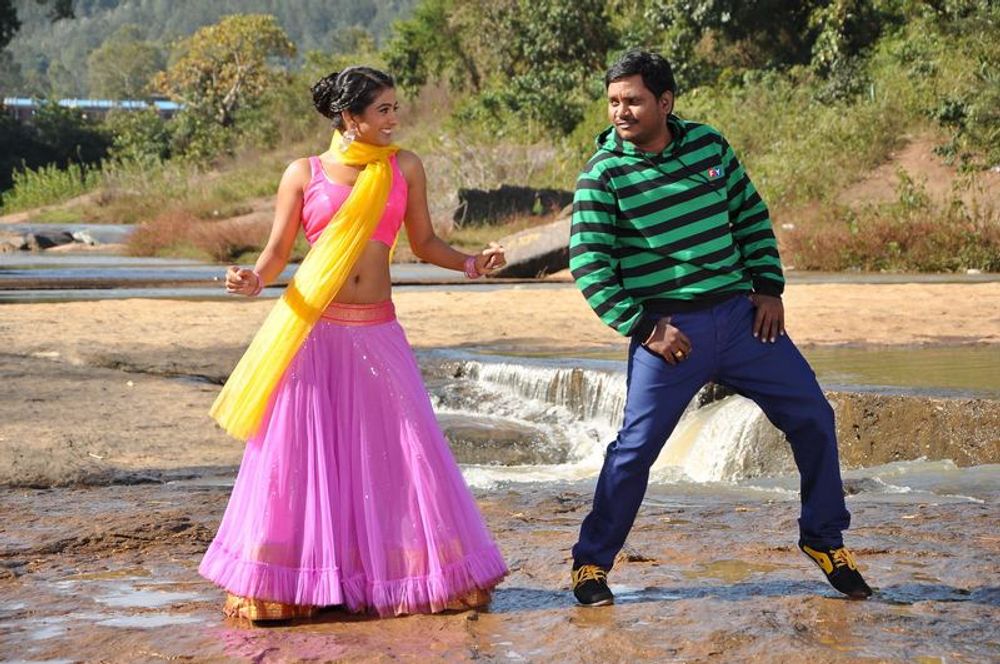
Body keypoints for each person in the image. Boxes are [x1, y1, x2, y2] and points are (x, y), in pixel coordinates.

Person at [199, 66, 508, 622]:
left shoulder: (403, 167)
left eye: (395, 108)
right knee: (305, 460)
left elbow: (424, 241)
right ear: (350, 116)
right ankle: (294, 584)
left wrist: (470, 263)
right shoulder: (304, 173)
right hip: (314, 333)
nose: (395, 119)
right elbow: (277, 253)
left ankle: (406, 574)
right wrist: (253, 279)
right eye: (383, 110)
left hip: (378, 330)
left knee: (403, 453)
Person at [568, 50, 873, 606]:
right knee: (634, 450)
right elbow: (590, 265)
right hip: (668, 334)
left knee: (813, 416)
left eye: (633, 100)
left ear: (665, 102)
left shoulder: (709, 146)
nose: (620, 112)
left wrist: (769, 287)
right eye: (613, 102)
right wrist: (644, 328)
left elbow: (749, 215)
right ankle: (591, 564)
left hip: (741, 320)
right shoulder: (603, 175)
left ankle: (825, 539)